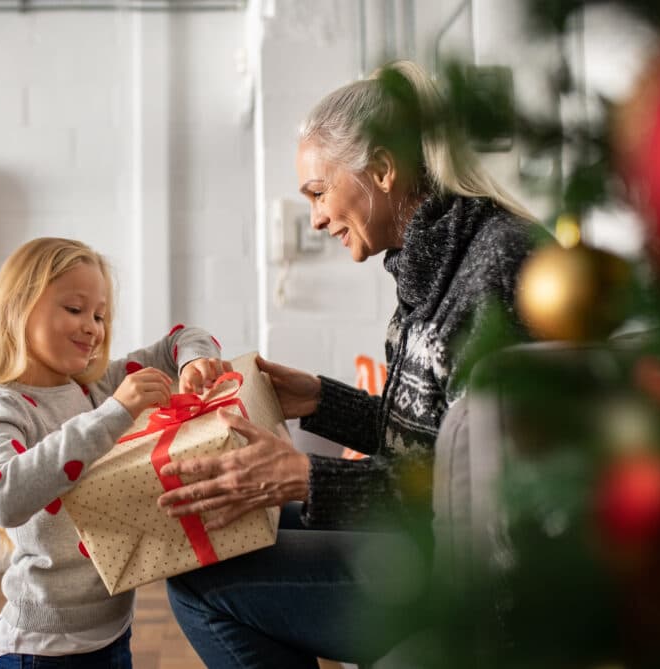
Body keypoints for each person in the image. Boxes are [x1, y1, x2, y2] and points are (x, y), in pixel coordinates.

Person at [158, 60, 547, 667]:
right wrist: (319, 400)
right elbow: (432, 444)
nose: (315, 218)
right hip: (428, 536)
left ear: (383, 171)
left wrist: (305, 478)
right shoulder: (432, 265)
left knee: (199, 581)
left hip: (471, 578)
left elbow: (486, 496)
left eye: (319, 192)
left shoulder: (495, 266)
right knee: (225, 541)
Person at [0, 237, 228, 668]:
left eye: (99, 315)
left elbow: (184, 338)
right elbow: (1, 497)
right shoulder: (5, 406)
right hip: (37, 651)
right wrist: (114, 414)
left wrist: (194, 363)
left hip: (111, 636)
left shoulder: (95, 387)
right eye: (74, 309)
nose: (93, 327)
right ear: (19, 308)